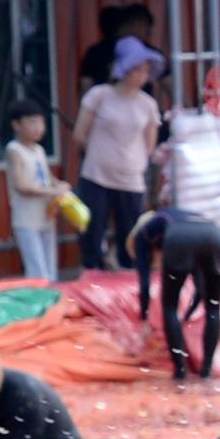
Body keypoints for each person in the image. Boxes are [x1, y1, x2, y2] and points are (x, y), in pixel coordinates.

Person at [66, 38, 161, 269]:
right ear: (123, 70)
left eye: (145, 71)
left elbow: (150, 142)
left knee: (131, 234)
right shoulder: (100, 95)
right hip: (97, 174)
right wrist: (101, 152)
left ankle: (129, 279)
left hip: (130, 178)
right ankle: (90, 274)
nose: (141, 76)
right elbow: (79, 133)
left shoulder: (147, 104)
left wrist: (134, 161)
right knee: (92, 230)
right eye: (136, 70)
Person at [128, 206, 220, 384]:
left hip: (181, 237)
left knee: (169, 306)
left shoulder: (141, 235)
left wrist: (143, 317)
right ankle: (206, 371)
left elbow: (144, 283)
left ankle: (180, 372)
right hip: (216, 234)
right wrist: (187, 317)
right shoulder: (174, 217)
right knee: (213, 306)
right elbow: (201, 290)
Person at [0, 103, 65, 283]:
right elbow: (21, 185)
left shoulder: (39, 150)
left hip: (45, 214)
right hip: (26, 217)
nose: (38, 128)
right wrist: (52, 190)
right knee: (37, 268)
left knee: (50, 267)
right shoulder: (14, 150)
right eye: (32, 122)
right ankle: (38, 305)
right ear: (17, 125)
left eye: (41, 123)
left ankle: (52, 304)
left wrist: (60, 185)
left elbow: (47, 176)